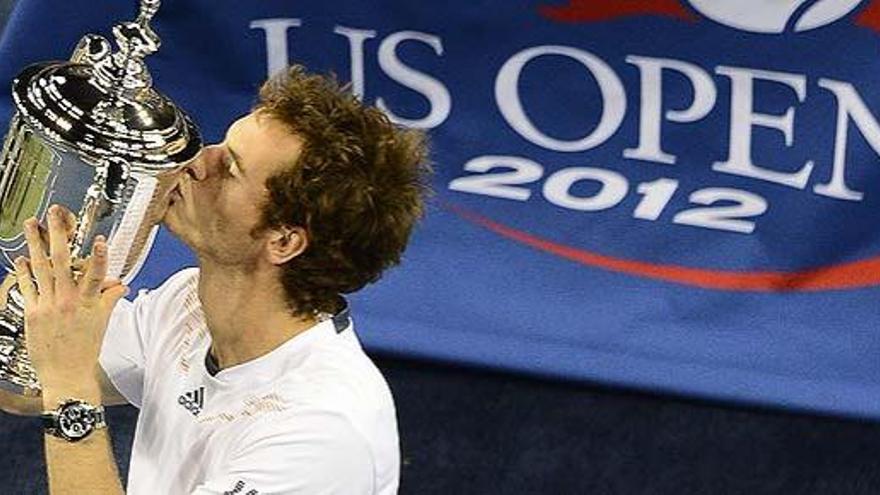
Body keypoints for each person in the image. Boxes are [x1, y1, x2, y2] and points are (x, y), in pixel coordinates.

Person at [0, 65, 430, 494]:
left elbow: (61, 378)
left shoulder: (320, 433)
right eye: (219, 145)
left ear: (283, 240)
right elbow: (21, 386)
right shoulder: (188, 302)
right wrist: (46, 262)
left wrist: (70, 386)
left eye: (231, 168)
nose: (196, 161)